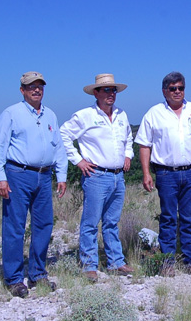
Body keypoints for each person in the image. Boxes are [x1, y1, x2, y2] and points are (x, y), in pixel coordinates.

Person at [0, 71, 67, 298]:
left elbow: (58, 147)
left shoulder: (50, 115)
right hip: (17, 174)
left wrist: (61, 175)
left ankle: (37, 274)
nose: (36, 89)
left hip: (44, 176)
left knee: (44, 225)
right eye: (31, 86)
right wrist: (0, 176)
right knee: (14, 226)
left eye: (40, 86)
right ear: (22, 90)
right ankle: (14, 279)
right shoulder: (11, 114)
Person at [135, 71, 191, 277]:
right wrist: (146, 173)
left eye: (181, 88)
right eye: (173, 89)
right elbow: (144, 145)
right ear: (164, 91)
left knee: (189, 219)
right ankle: (167, 263)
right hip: (166, 174)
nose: (177, 92)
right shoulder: (154, 113)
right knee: (168, 218)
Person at [60, 74, 134, 283]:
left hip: (118, 176)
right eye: (106, 90)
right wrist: (78, 160)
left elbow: (129, 137)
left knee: (112, 222)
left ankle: (116, 262)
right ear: (96, 93)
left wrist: (128, 154)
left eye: (113, 90)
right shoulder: (84, 116)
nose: (111, 94)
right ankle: (89, 265)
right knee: (91, 222)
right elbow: (63, 134)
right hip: (96, 175)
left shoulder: (121, 115)